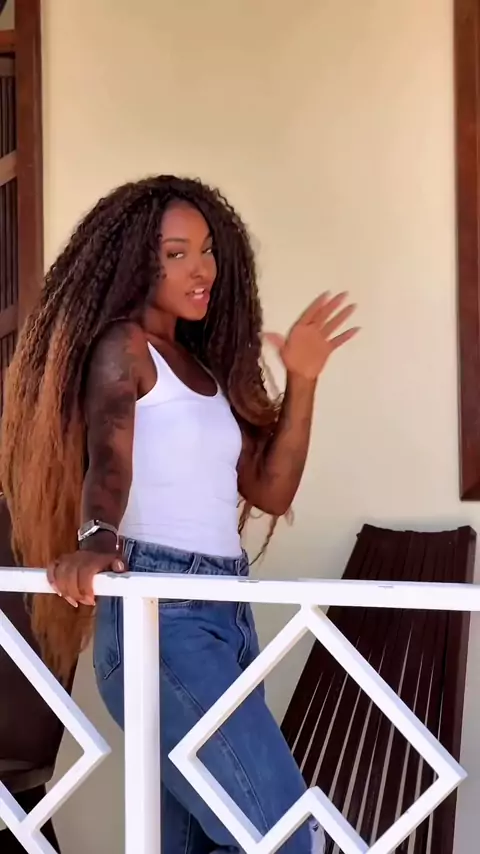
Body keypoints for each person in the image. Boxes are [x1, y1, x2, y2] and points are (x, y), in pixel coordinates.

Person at [0, 175, 358, 854]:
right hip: (164, 623)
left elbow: (271, 489)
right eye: (176, 254)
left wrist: (304, 380)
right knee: (282, 836)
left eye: (207, 250)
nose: (202, 270)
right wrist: (95, 539)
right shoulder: (124, 348)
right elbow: (109, 457)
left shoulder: (203, 371)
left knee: (200, 844)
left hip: (228, 617)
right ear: (137, 262)